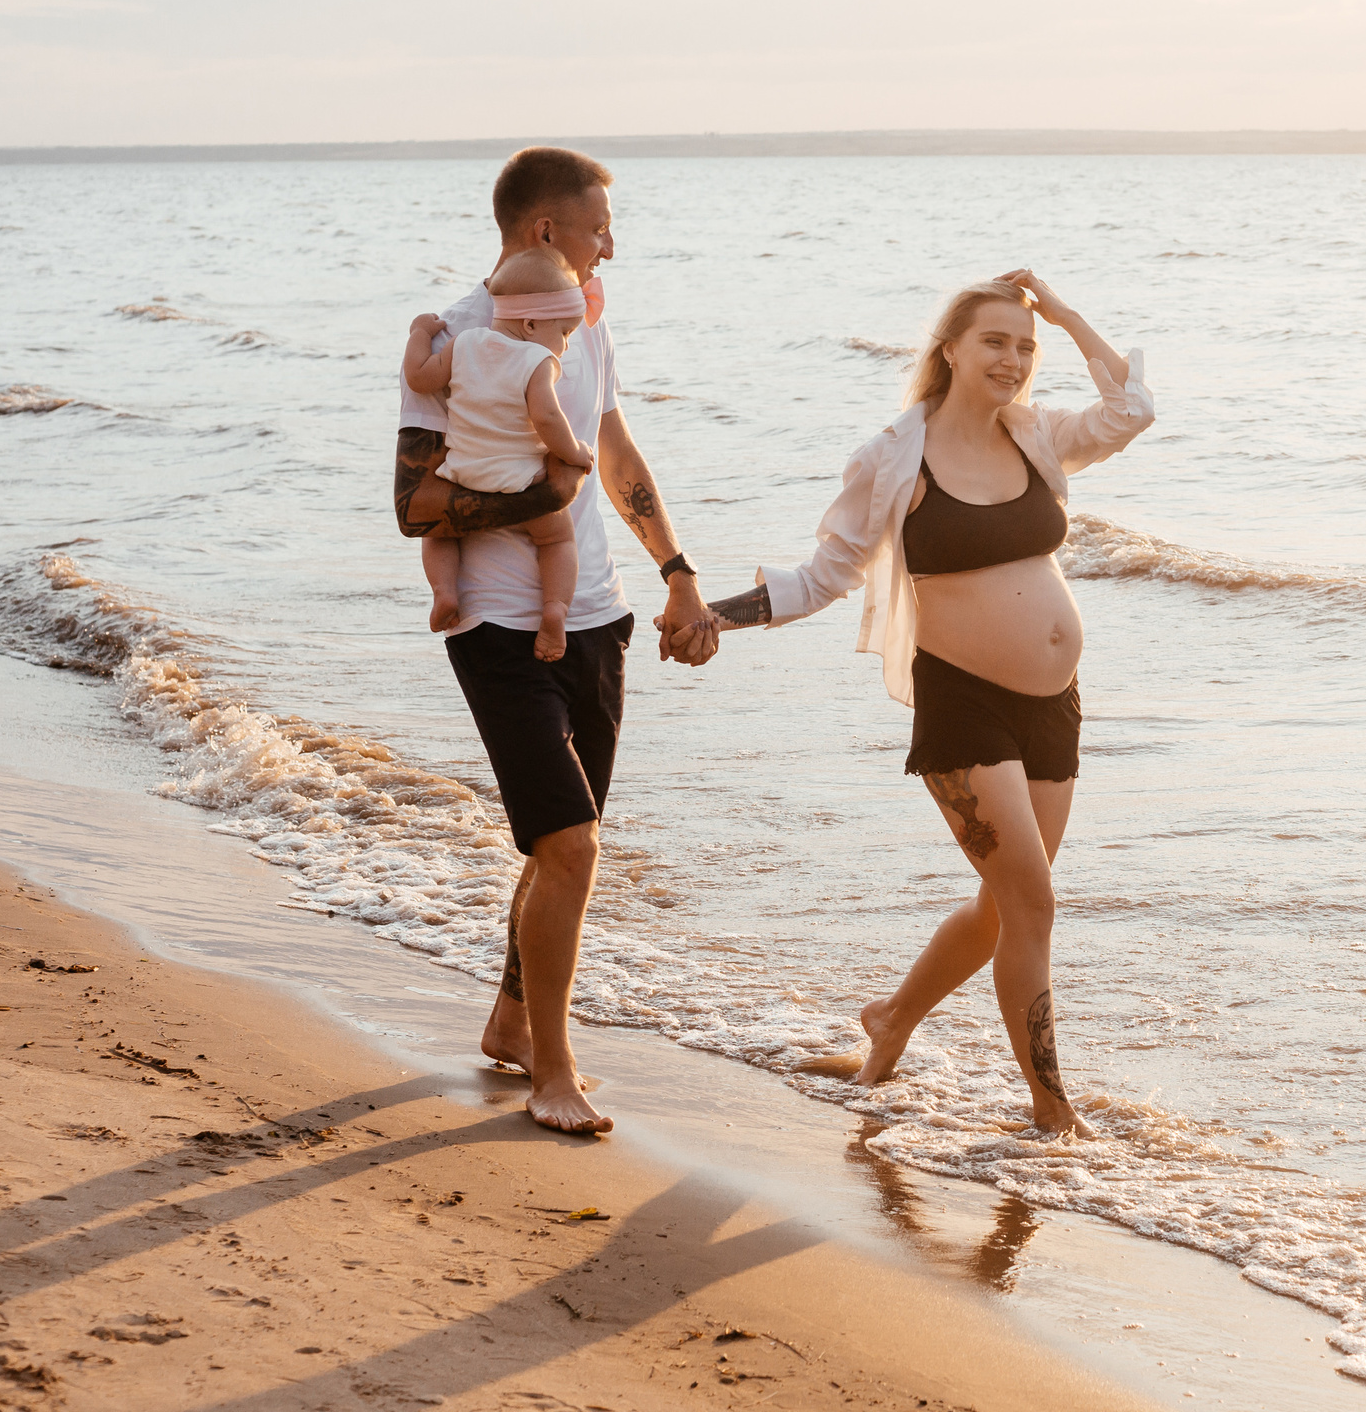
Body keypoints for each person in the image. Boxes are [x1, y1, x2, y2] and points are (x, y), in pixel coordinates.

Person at [698, 271, 1154, 1137]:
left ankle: (893, 1016)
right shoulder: (893, 457)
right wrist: (718, 613)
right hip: (962, 708)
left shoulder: (1037, 438)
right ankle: (1054, 1111)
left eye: (1025, 347)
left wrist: (1061, 313)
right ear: (948, 349)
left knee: (1004, 906)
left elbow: (1131, 408)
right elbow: (827, 572)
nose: (1013, 359)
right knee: (1034, 905)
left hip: (1053, 705)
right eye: (994, 341)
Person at [392, 145, 721, 1135]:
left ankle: (509, 1020)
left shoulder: (578, 323)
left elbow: (613, 448)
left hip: (599, 618)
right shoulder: (455, 341)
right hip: (497, 626)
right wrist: (544, 495)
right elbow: (415, 504)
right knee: (571, 845)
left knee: (556, 848)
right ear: (545, 230)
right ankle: (553, 1068)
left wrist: (675, 571)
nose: (609, 246)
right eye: (596, 229)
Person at [401, 248, 597, 661]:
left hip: (462, 473)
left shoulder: (463, 343)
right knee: (558, 539)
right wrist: (575, 450)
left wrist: (419, 333)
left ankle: (444, 592)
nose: (563, 345)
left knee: (439, 534)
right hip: (521, 480)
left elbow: (419, 379)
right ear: (530, 324)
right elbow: (547, 416)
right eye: (563, 332)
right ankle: (555, 610)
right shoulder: (537, 360)